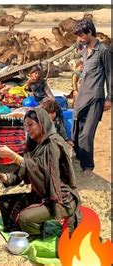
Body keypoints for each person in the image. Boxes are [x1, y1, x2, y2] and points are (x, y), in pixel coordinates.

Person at [0, 108, 81, 237]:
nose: (27, 129)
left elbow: (44, 171)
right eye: (25, 126)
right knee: (4, 201)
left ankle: (36, 236)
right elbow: (18, 175)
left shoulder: (54, 143)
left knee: (25, 218)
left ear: (42, 123)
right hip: (40, 196)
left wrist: (14, 156)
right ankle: (22, 231)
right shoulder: (33, 146)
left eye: (30, 124)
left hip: (60, 199)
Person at [72, 18, 111, 176]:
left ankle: (88, 167)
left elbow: (110, 75)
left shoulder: (104, 51)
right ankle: (80, 160)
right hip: (81, 96)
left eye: (81, 35)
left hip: (95, 97)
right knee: (77, 130)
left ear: (90, 32)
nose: (79, 39)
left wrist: (110, 98)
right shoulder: (83, 49)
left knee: (87, 134)